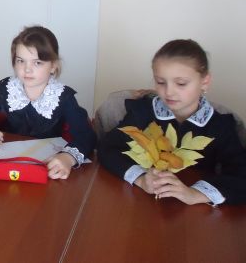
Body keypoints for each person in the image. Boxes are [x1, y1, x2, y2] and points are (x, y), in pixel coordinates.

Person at [98, 39, 246, 205]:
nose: (169, 92)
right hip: (140, 201)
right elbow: (108, 147)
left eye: (181, 83)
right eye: (160, 82)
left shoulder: (220, 126)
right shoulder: (143, 111)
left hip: (193, 212)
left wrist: (194, 194)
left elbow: (241, 175)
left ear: (204, 82)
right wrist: (141, 178)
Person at [0, 26, 96, 179]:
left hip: (47, 168)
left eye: (37, 62)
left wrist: (68, 158)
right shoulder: (7, 89)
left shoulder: (63, 97)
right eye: (21, 61)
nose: (27, 69)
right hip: (8, 162)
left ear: (53, 66)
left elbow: (86, 135)